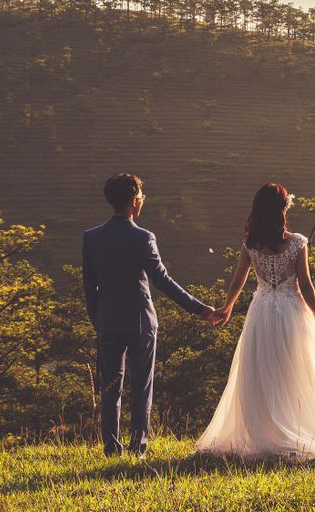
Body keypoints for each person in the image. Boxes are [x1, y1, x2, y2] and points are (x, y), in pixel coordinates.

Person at [195, 182, 315, 460]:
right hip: (291, 312)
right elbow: (305, 285)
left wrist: (227, 307)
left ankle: (266, 429)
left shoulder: (251, 244)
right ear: (282, 210)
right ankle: (296, 426)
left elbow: (238, 279)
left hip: (261, 312)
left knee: (263, 370)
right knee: (295, 370)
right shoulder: (297, 242)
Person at [82, 173, 222, 457]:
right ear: (135, 201)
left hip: (108, 321)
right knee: (141, 386)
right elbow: (163, 281)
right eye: (141, 198)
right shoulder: (143, 237)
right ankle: (138, 446)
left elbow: (89, 286)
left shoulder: (92, 237)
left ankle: (111, 447)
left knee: (110, 387)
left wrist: (98, 319)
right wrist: (201, 309)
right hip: (140, 322)